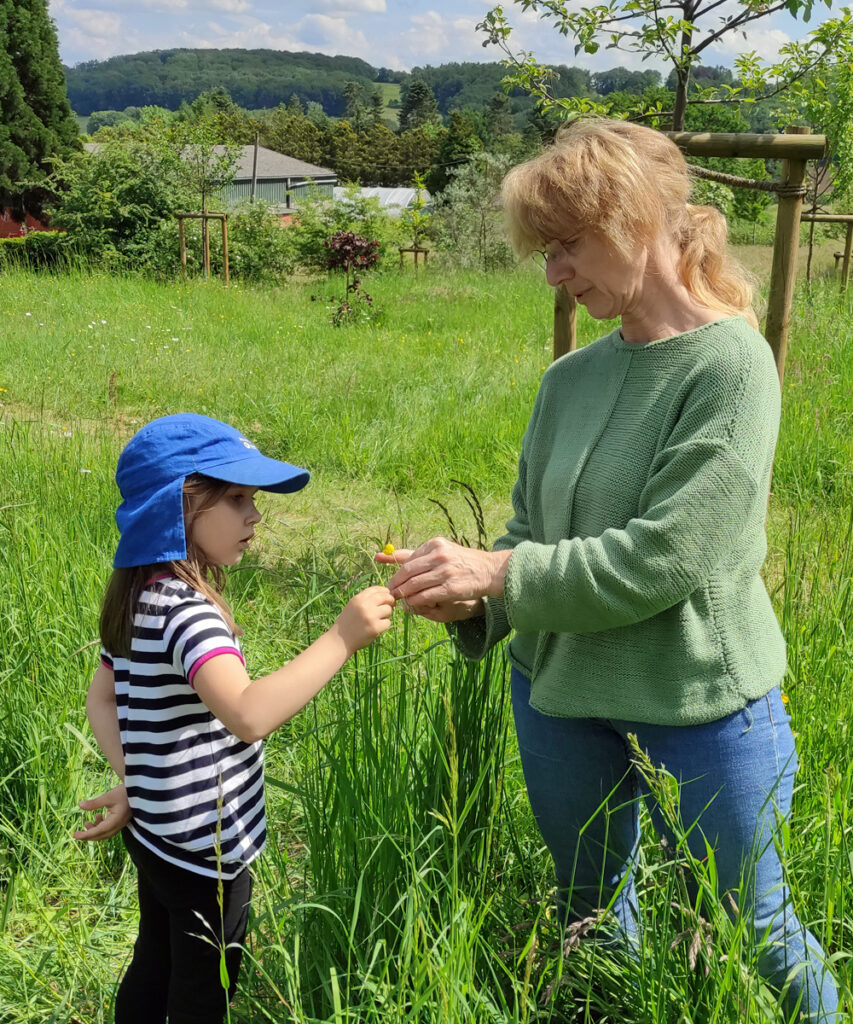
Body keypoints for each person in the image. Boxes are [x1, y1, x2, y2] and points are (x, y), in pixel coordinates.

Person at [377, 119, 838, 1021]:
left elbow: (663, 560)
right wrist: (470, 605)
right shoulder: (570, 380)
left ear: (635, 220)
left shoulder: (732, 365)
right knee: (589, 916)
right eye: (543, 253)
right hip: (557, 695)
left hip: (697, 705)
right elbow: (529, 531)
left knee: (756, 928)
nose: (551, 274)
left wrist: (498, 573)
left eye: (564, 247)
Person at [74, 413, 395, 1024]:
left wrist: (136, 782)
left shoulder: (135, 596)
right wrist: (342, 638)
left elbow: (103, 700)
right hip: (208, 852)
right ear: (183, 506)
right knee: (203, 991)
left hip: (156, 837)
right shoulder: (188, 614)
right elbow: (248, 714)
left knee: (154, 958)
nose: (256, 516)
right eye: (239, 498)